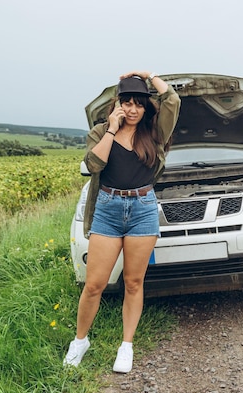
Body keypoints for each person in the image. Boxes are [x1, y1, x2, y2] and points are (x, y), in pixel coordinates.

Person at [64, 71, 181, 373]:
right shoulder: (101, 131)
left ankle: (126, 345)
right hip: (108, 209)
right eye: (126, 102)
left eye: (138, 104)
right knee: (94, 285)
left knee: (133, 282)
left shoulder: (155, 131)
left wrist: (149, 76)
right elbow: (93, 165)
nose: (132, 109)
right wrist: (112, 130)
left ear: (145, 107)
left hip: (142, 208)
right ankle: (80, 341)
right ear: (117, 103)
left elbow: (172, 99)